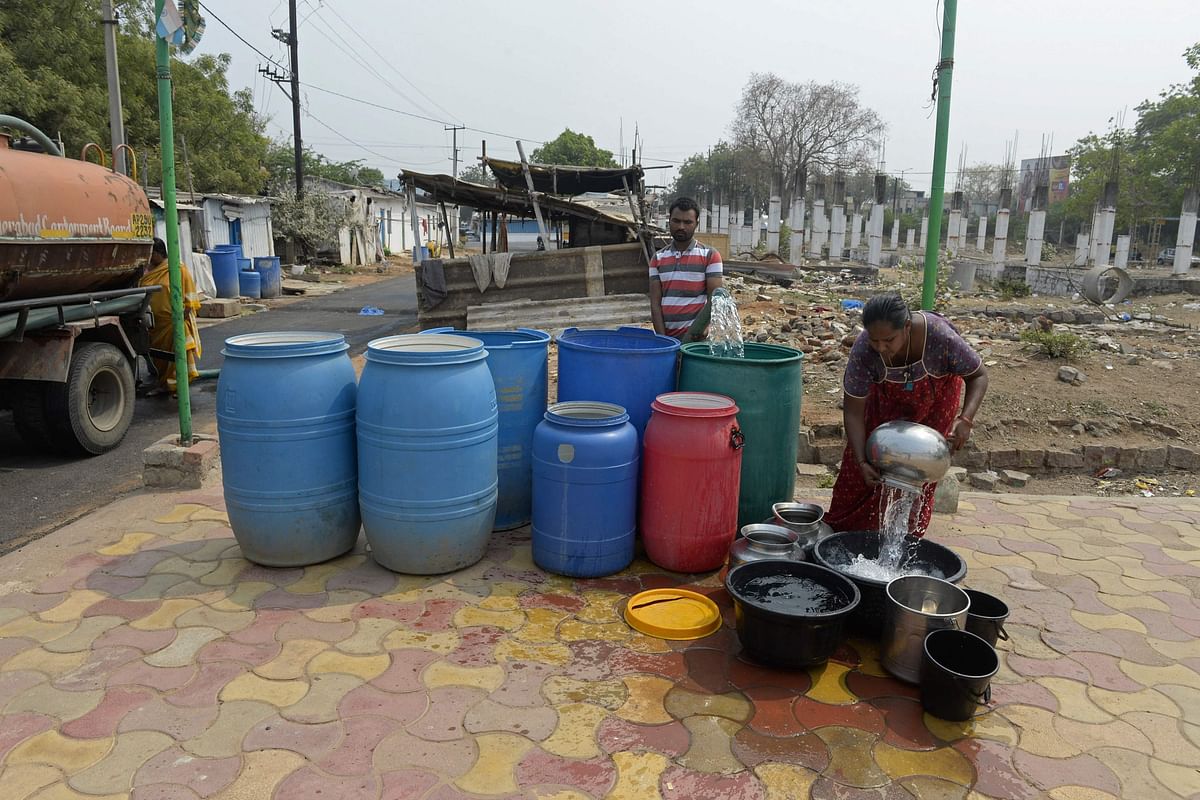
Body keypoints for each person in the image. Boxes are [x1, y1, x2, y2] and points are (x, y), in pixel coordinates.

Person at [826, 293, 988, 536]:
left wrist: (965, 419)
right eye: (874, 340)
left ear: (907, 327)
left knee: (917, 470)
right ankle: (843, 537)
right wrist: (861, 461)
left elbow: (978, 375)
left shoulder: (939, 336)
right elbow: (853, 412)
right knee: (860, 476)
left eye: (889, 340)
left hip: (935, 405)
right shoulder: (863, 351)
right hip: (883, 410)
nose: (881, 348)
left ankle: (904, 541)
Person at [648, 197, 723, 340]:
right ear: (669, 221)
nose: (681, 226)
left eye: (687, 222)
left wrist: (703, 329)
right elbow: (655, 304)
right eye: (676, 221)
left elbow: (715, 300)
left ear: (696, 224)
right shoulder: (657, 258)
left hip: (697, 342)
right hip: (668, 341)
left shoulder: (710, 256)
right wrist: (663, 341)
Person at [139, 237, 202, 396]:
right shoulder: (147, 272)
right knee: (161, 359)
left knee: (178, 357)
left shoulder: (178, 268)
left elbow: (188, 298)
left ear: (158, 253)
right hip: (154, 325)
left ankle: (177, 386)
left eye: (150, 254)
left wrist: (182, 320)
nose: (148, 258)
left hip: (173, 323)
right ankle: (163, 383)